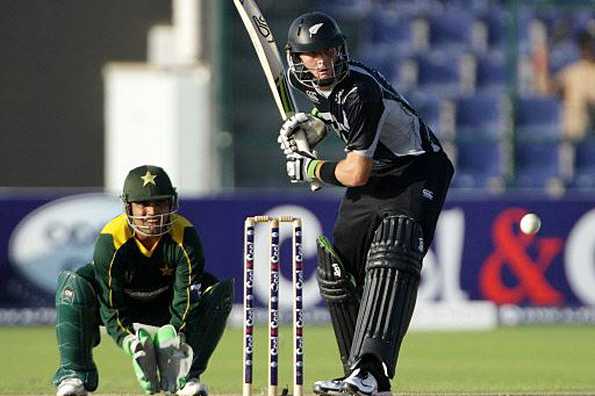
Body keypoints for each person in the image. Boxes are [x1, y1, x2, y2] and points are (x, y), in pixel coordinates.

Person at [277, 12, 454, 396]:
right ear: (297, 58)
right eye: (312, 55)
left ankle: (370, 370)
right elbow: (334, 116)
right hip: (379, 170)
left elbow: (354, 173)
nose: (322, 61)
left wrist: (312, 168)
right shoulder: (299, 80)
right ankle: (359, 375)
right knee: (335, 267)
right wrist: (316, 129)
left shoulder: (360, 90)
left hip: (417, 168)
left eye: (328, 52)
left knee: (394, 246)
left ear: (340, 50)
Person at [52, 165, 233, 396]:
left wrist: (173, 337)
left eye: (160, 203)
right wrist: (129, 341)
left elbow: (186, 297)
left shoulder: (185, 236)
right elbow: (110, 305)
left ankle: (186, 378)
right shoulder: (111, 239)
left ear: (172, 203)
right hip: (124, 305)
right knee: (73, 284)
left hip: (165, 306)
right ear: (128, 207)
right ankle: (73, 376)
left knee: (217, 292)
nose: (152, 212)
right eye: (143, 205)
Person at [534, 25, 595, 140]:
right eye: (589, 43)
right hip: (573, 139)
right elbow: (544, 91)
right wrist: (541, 68)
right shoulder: (574, 72)